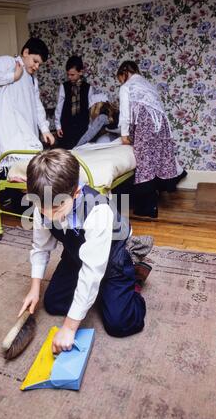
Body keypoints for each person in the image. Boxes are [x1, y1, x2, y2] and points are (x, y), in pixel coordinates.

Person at [18, 149, 146, 354]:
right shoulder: (42, 203)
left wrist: (69, 328)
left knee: (120, 323)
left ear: (76, 192)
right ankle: (100, 293)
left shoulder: (99, 211)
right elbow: (40, 247)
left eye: (58, 208)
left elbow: (91, 272)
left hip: (113, 255)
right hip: (76, 252)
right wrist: (34, 288)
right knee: (53, 304)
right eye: (43, 210)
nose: (50, 217)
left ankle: (134, 280)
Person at [117, 60, 186, 218]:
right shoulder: (147, 85)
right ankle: (158, 193)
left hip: (146, 123)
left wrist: (124, 135)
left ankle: (148, 207)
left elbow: (126, 114)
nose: (120, 82)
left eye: (119, 78)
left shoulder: (126, 87)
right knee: (156, 160)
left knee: (144, 162)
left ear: (124, 73)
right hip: (161, 124)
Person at [0, 37, 55, 172]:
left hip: (26, 122)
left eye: (39, 64)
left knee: (28, 165)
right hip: (8, 120)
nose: (36, 67)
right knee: (11, 162)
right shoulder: (7, 62)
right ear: (26, 52)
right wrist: (13, 77)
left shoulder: (33, 80)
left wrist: (45, 129)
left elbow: (37, 104)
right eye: (35, 61)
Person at [55, 56, 94, 149]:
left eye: (72, 75)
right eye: (68, 74)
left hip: (82, 128)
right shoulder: (64, 87)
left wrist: (90, 128)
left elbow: (91, 109)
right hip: (66, 127)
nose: (69, 77)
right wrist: (58, 126)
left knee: (82, 153)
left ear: (80, 72)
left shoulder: (88, 88)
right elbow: (59, 108)